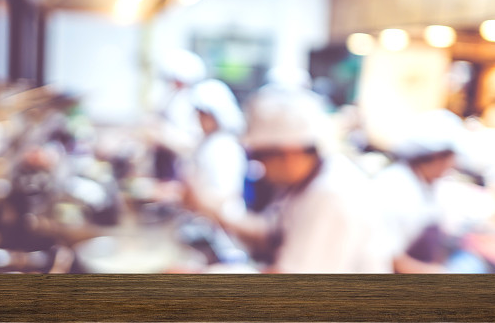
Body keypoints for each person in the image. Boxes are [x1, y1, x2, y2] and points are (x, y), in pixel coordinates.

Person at [207, 87, 392, 273]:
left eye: (261, 156)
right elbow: (269, 233)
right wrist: (215, 212)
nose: (261, 167)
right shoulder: (303, 183)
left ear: (290, 152)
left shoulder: (330, 194)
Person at [372, 109, 464, 273]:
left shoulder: (427, 184)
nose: (454, 165)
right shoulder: (395, 187)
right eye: (451, 158)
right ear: (436, 157)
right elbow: (386, 256)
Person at [182, 79, 248, 219]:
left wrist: (193, 196)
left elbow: (225, 194)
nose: (199, 119)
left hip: (223, 224)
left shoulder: (223, 147)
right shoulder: (208, 142)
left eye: (203, 115)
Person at [150, 49, 207, 180]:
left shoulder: (191, 102)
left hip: (180, 168)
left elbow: (190, 144)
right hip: (164, 163)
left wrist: (161, 136)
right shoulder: (171, 97)